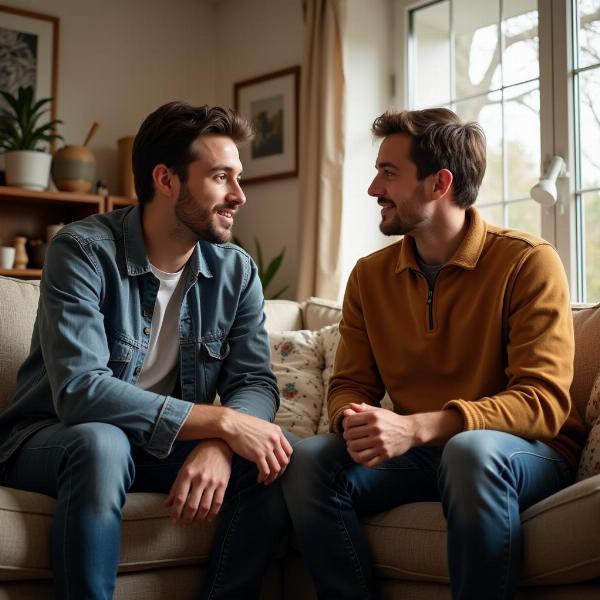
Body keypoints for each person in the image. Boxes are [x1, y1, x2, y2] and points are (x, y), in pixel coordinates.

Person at [281, 108, 587, 600]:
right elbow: (350, 384)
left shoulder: (528, 262)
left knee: (469, 452)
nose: (373, 189)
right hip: (422, 454)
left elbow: (542, 402)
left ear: (439, 183)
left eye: (388, 173)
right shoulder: (369, 276)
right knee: (310, 460)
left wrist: (417, 426)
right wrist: (351, 419)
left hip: (519, 454)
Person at [0, 101, 293, 600]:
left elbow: (254, 383)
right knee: (102, 444)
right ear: (166, 179)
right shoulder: (82, 250)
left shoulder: (236, 271)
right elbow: (80, 390)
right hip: (53, 436)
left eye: (238, 178)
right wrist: (220, 422)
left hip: (152, 442)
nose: (239, 196)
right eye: (222, 177)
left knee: (275, 457)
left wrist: (223, 445)